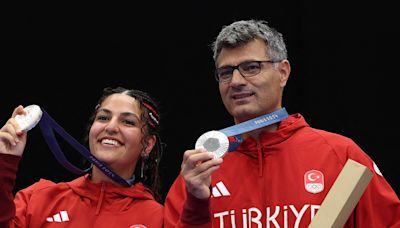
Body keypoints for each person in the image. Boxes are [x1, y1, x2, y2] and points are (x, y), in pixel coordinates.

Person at [163, 19, 400, 227]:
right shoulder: (197, 173)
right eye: (225, 72)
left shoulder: (341, 156)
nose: (236, 81)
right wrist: (196, 206)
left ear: (283, 72)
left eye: (251, 68)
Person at [0, 87, 165, 227]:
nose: (111, 127)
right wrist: (4, 162)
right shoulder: (38, 199)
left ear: (147, 145)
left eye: (128, 122)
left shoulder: (158, 219)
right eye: (103, 117)